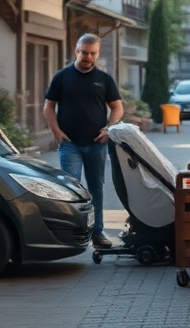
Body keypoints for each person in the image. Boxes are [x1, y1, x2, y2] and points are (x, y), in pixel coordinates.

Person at [43, 34, 123, 250]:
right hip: (70, 145)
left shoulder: (104, 79)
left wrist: (109, 128)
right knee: (72, 189)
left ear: (97, 53)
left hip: (96, 144)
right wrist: (57, 132)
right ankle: (74, 233)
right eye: (84, 52)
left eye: (92, 53)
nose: (88, 56)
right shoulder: (62, 77)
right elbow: (48, 107)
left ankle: (97, 232)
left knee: (96, 188)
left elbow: (117, 106)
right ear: (76, 51)